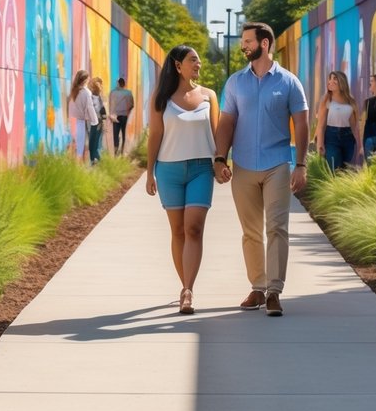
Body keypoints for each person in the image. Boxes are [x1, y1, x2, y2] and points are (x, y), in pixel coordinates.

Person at [214, 21, 308, 317]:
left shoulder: (289, 82)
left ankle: (274, 292)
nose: (243, 46)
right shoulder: (235, 82)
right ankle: (257, 286)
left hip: (277, 164)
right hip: (242, 166)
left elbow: (302, 123)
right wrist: (220, 158)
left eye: (247, 41)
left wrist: (301, 165)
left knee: (277, 227)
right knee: (250, 231)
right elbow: (226, 122)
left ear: (264, 44)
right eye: (243, 41)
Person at [145, 45, 218, 315]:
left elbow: (217, 132)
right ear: (178, 65)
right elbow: (155, 136)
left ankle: (188, 290)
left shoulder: (209, 95)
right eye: (193, 60)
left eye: (199, 60)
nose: (198, 64)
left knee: (194, 229)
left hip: (201, 169)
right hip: (168, 171)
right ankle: (183, 284)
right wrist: (149, 172)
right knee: (177, 231)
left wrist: (222, 161)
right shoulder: (161, 97)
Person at [315, 70, 359, 171]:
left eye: (334, 78)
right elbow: (321, 125)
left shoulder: (351, 101)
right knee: (334, 169)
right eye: (329, 79)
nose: (331, 81)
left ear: (342, 81)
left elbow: (354, 126)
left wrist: (359, 144)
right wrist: (320, 144)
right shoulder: (326, 100)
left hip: (348, 138)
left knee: (346, 171)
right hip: (331, 138)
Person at [68, 70, 98, 162]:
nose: (89, 79)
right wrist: (95, 121)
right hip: (83, 121)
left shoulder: (74, 91)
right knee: (83, 145)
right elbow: (90, 107)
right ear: (84, 80)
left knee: (78, 145)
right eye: (88, 77)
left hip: (75, 120)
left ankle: (78, 163)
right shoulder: (86, 92)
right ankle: (82, 164)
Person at [109, 77, 136, 155]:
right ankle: (122, 151)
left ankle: (115, 151)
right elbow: (132, 104)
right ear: (124, 84)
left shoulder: (112, 92)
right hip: (124, 115)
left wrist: (111, 114)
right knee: (124, 133)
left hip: (115, 116)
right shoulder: (128, 93)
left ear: (118, 84)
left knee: (115, 134)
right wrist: (127, 110)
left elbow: (111, 104)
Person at [88, 76, 108, 163]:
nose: (101, 88)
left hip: (97, 122)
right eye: (100, 87)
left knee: (95, 141)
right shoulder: (91, 98)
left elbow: (102, 111)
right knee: (94, 141)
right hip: (93, 122)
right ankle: (95, 158)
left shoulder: (99, 98)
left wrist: (103, 120)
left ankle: (94, 159)